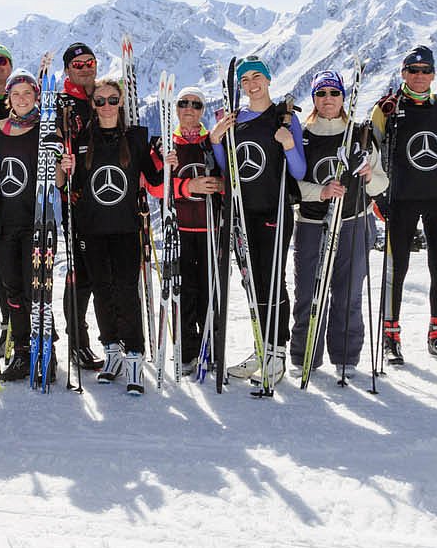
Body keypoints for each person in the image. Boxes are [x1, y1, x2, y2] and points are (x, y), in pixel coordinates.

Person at [372, 45, 437, 365]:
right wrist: (376, 195)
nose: (419, 76)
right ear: (403, 73)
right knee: (396, 268)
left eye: (425, 70)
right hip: (400, 198)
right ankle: (390, 338)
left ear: (433, 74)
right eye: (413, 70)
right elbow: (371, 153)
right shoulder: (387, 108)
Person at [210, 56, 307, 387]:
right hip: (242, 213)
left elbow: (298, 171)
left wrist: (289, 144)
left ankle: (276, 351)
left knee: (272, 280)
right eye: (245, 80)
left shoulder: (284, 117)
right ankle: (261, 347)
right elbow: (228, 170)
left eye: (257, 77)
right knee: (251, 282)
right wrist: (216, 141)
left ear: (268, 79)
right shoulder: (235, 120)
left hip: (274, 211)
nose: (252, 84)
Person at [62, 76, 163, 394]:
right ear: (93, 105)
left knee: (126, 292)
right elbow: (69, 185)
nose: (106, 106)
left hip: (125, 228)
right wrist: (65, 167)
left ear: (121, 103)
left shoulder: (135, 138)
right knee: (102, 292)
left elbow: (155, 180)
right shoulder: (82, 139)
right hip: (91, 229)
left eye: (112, 100)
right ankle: (112, 351)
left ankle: (134, 356)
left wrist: (165, 159)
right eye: (100, 100)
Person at [291, 70, 386, 381]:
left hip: (353, 220)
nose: (328, 99)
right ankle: (305, 355)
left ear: (343, 97)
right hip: (312, 221)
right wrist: (321, 191)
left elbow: (380, 184)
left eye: (334, 93)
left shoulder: (360, 134)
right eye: (321, 93)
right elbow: (291, 185)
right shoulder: (303, 135)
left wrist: (369, 176)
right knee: (308, 291)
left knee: (348, 292)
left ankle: (346, 356)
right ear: (314, 99)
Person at [0, 71, 62, 382]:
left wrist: (59, 159)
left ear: (36, 96)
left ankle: (47, 351)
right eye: (15, 94)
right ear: (8, 98)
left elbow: (59, 181)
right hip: (6, 222)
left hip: (37, 221)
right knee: (13, 291)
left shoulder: (46, 129)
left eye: (27, 93)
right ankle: (21, 352)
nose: (21, 99)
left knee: (38, 291)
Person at [150, 85, 225, 373]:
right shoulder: (164, 145)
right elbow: (155, 188)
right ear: (176, 108)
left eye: (196, 104)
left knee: (210, 293)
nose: (189, 109)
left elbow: (231, 178)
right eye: (184, 103)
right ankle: (187, 351)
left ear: (203, 110)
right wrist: (186, 186)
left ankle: (212, 349)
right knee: (184, 293)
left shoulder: (214, 142)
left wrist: (220, 185)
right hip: (178, 230)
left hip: (210, 230)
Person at [58, 41, 102, 370]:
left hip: (109, 197)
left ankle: (115, 337)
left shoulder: (104, 96)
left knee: (108, 270)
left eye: (90, 63)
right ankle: (78, 341)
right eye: (78, 65)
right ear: (68, 70)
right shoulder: (62, 103)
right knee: (81, 273)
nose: (85, 68)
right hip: (75, 199)